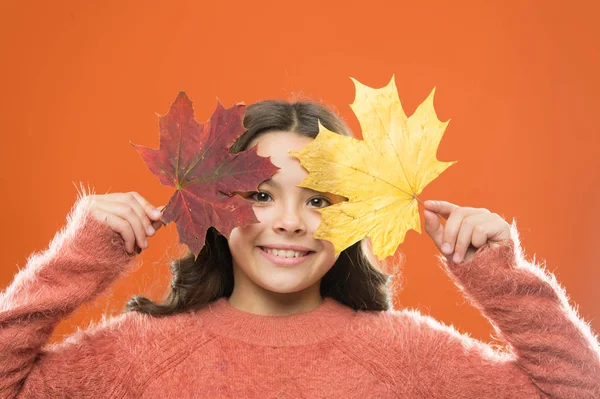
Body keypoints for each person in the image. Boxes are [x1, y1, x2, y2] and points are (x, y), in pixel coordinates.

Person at [0, 100, 598, 399]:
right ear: (211, 205)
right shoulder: (139, 356)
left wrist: (500, 276)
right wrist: (79, 258)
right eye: (261, 194)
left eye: (318, 201)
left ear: (354, 215)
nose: (289, 222)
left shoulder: (405, 353)